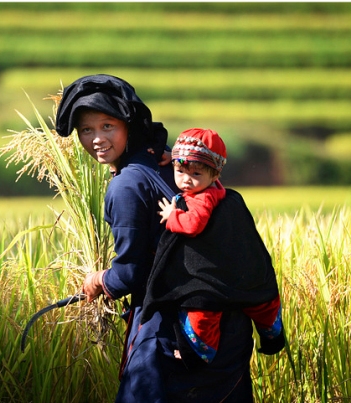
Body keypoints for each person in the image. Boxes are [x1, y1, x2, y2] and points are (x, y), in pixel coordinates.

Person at [55, 74, 258, 402]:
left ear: (128, 125)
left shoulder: (126, 186)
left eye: (108, 126)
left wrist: (97, 280)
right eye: (86, 130)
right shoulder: (171, 164)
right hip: (226, 331)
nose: (96, 139)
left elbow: (128, 275)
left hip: (173, 333)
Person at [155, 128, 285, 364]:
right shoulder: (208, 186)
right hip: (245, 274)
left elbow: (193, 224)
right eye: (179, 170)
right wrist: (169, 158)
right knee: (261, 301)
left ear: (215, 175)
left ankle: (200, 353)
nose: (186, 179)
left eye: (195, 173)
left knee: (203, 309)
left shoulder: (202, 198)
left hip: (212, 280)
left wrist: (172, 215)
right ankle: (271, 330)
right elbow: (192, 168)